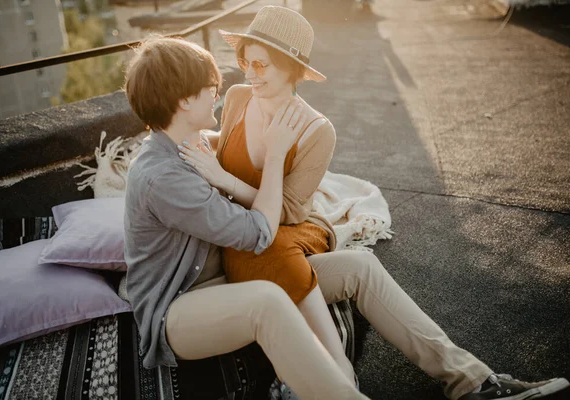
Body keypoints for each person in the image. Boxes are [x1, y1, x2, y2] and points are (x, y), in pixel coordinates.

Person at [178, 5, 570, 400]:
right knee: (360, 264)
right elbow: (225, 146)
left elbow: (288, 215)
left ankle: (472, 381)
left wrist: (226, 178)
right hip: (251, 243)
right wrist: (194, 144)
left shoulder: (315, 130)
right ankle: (348, 377)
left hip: (287, 236)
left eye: (261, 65)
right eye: (245, 60)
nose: (248, 73)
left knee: (304, 249)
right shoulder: (238, 98)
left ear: (290, 68)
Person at [122, 35, 369, 400]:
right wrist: (274, 154)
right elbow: (260, 231)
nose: (218, 95)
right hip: (176, 310)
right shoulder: (164, 178)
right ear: (186, 100)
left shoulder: (188, 143)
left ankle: (466, 377)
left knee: (358, 267)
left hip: (217, 278)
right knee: (267, 300)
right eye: (210, 88)